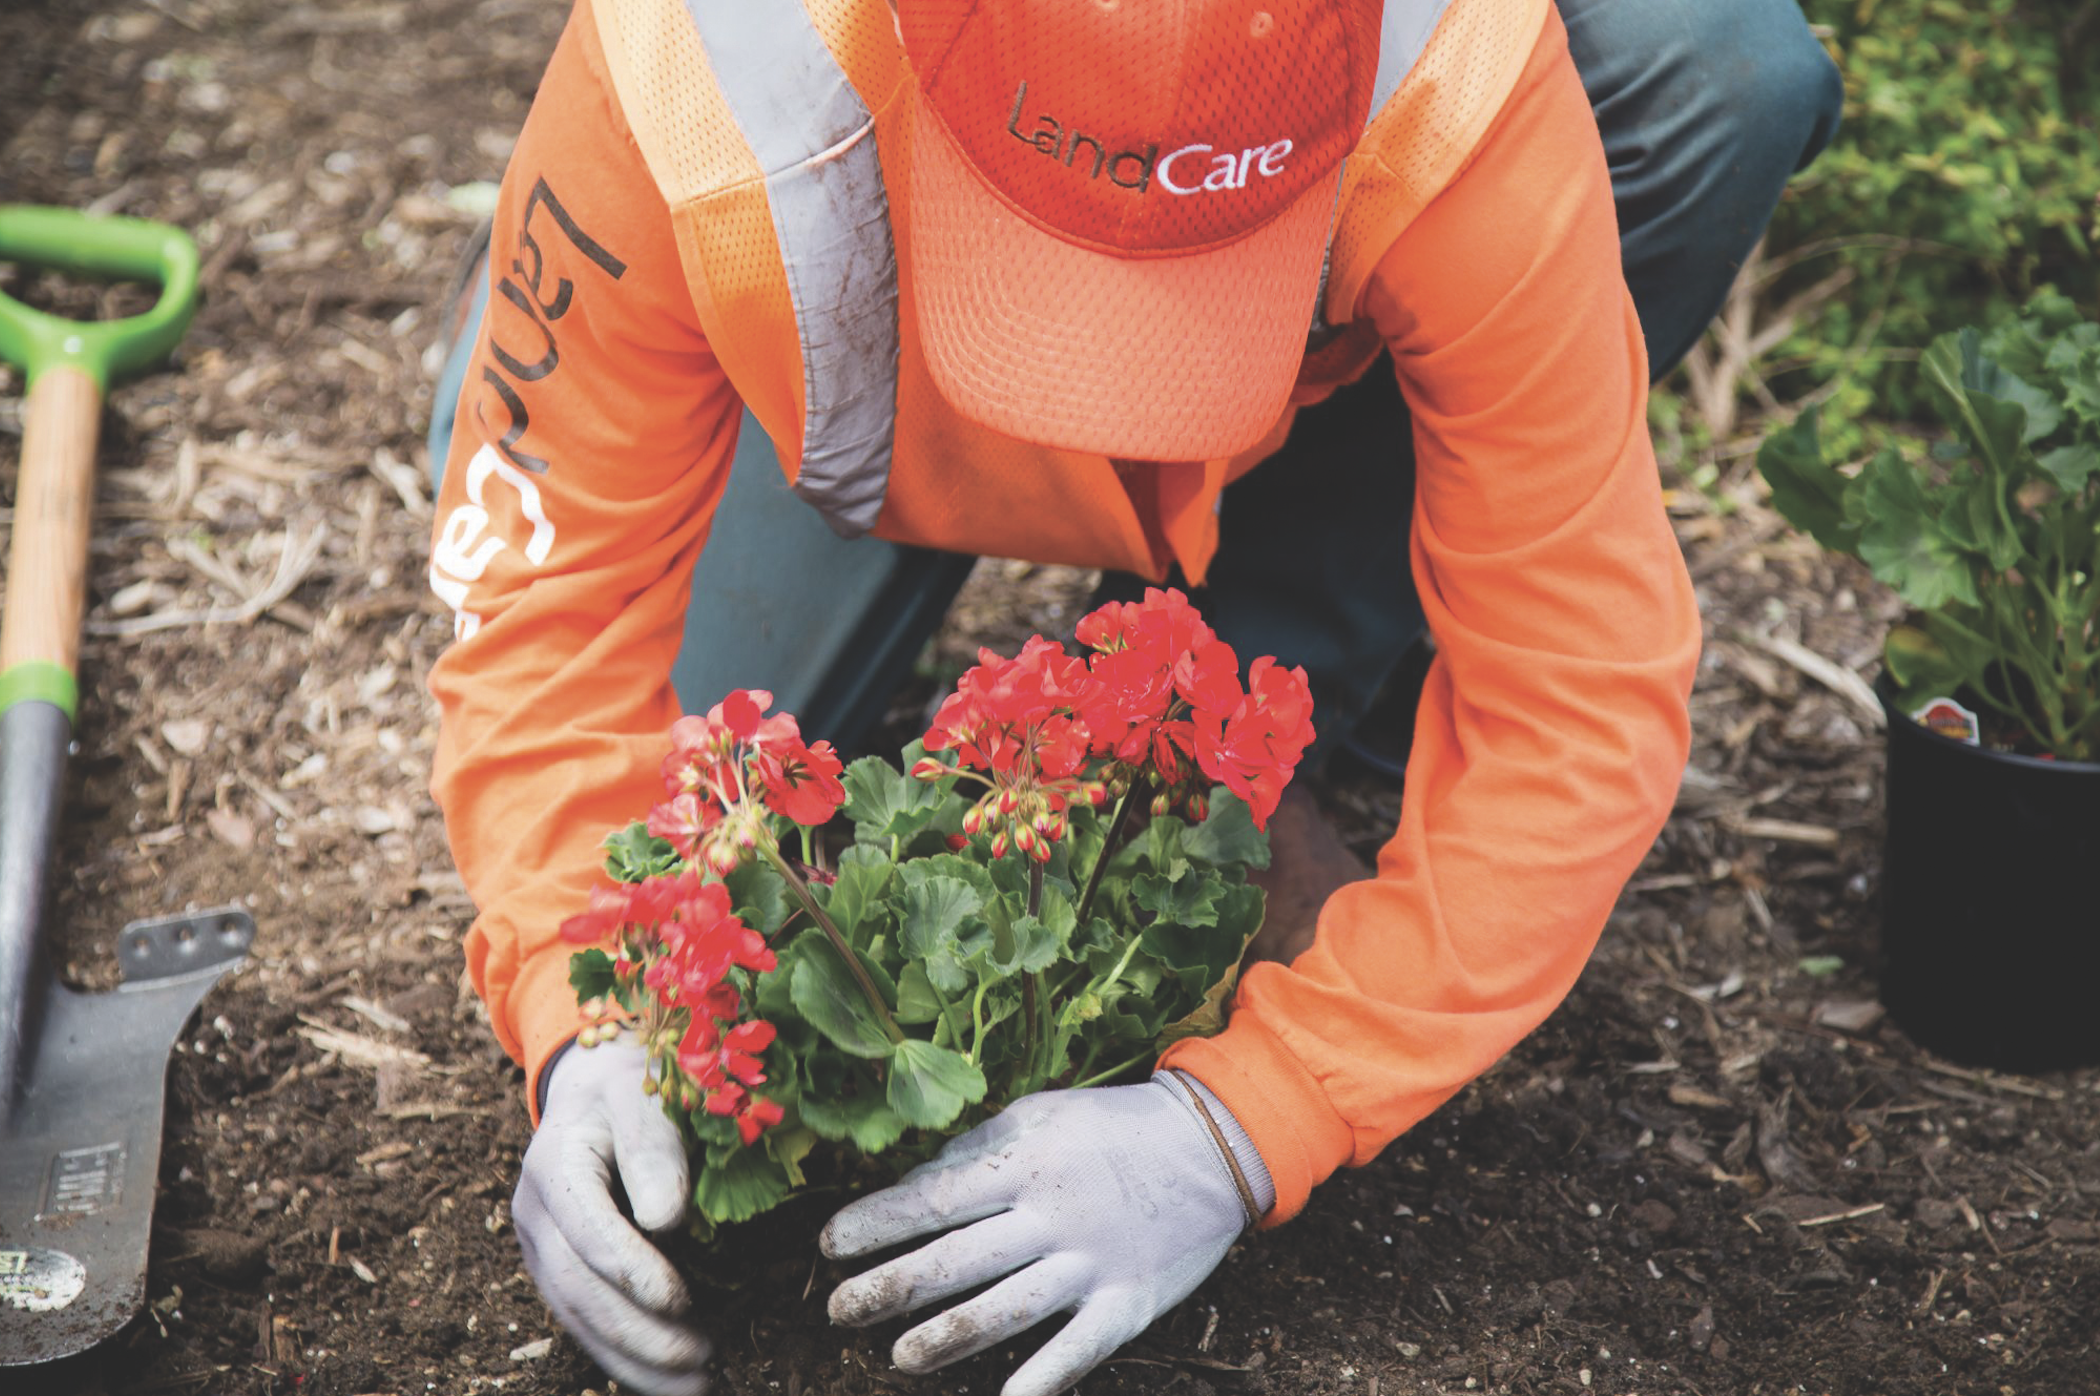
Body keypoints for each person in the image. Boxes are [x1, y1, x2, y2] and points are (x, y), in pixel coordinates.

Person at [423, 1, 1841, 1394]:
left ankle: (1244, 663)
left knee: (1720, 66)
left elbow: (1579, 697)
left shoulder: (1452, 71)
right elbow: (548, 611)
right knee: (696, 826)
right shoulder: (704, 54)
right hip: (837, 311)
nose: (1100, 387)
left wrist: (1247, 1121)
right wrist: (581, 1009)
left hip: (1303, 390)